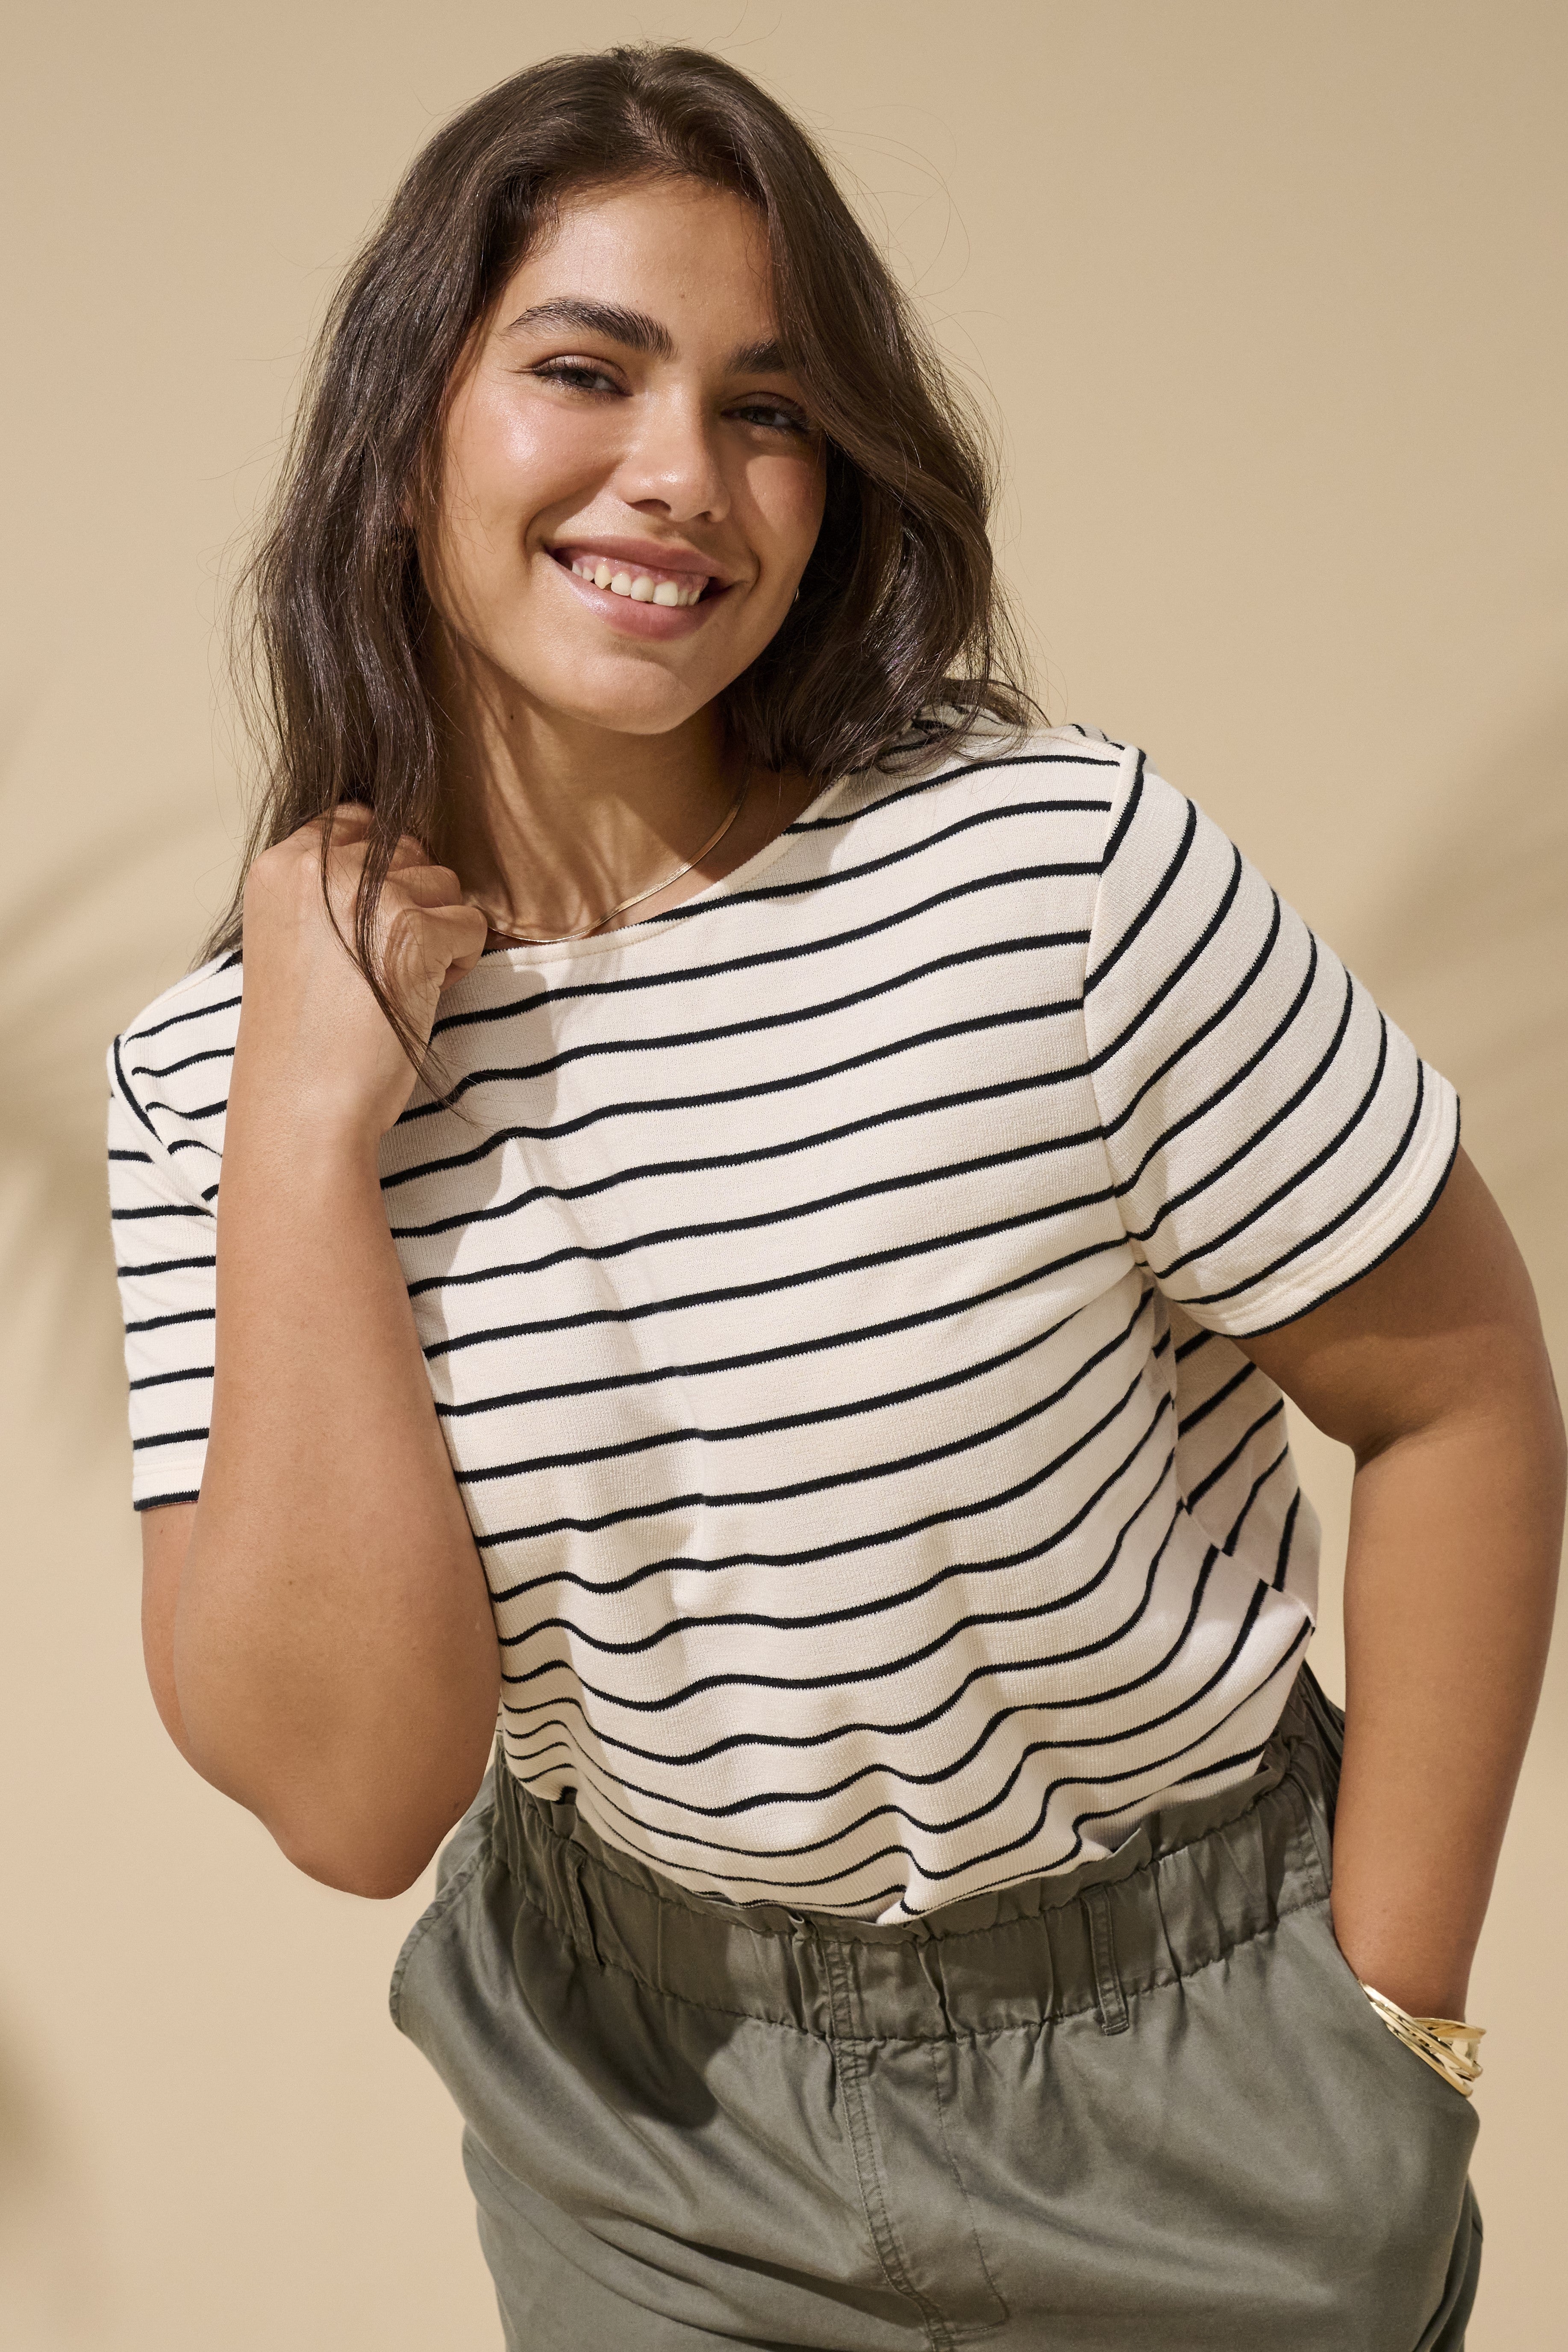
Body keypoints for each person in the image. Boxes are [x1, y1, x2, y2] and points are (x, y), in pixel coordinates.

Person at [107, 44, 1562, 2352]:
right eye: (585, 370)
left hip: (1198, 2083)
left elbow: (1458, 1391)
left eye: (767, 410)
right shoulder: (220, 1076)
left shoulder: (1050, 874)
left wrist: (1395, 2032)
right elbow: (355, 1802)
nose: (680, 476)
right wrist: (302, 1134)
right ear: (405, 430)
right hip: (646, 2133)